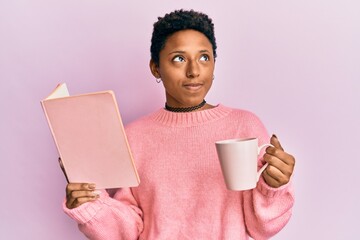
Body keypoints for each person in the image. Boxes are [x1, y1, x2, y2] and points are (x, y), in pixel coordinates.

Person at [63, 9, 295, 239]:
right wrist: (90, 203)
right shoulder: (133, 137)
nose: (194, 71)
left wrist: (273, 187)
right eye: (179, 59)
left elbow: (260, 228)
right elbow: (129, 230)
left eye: (204, 57)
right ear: (156, 67)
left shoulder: (244, 127)